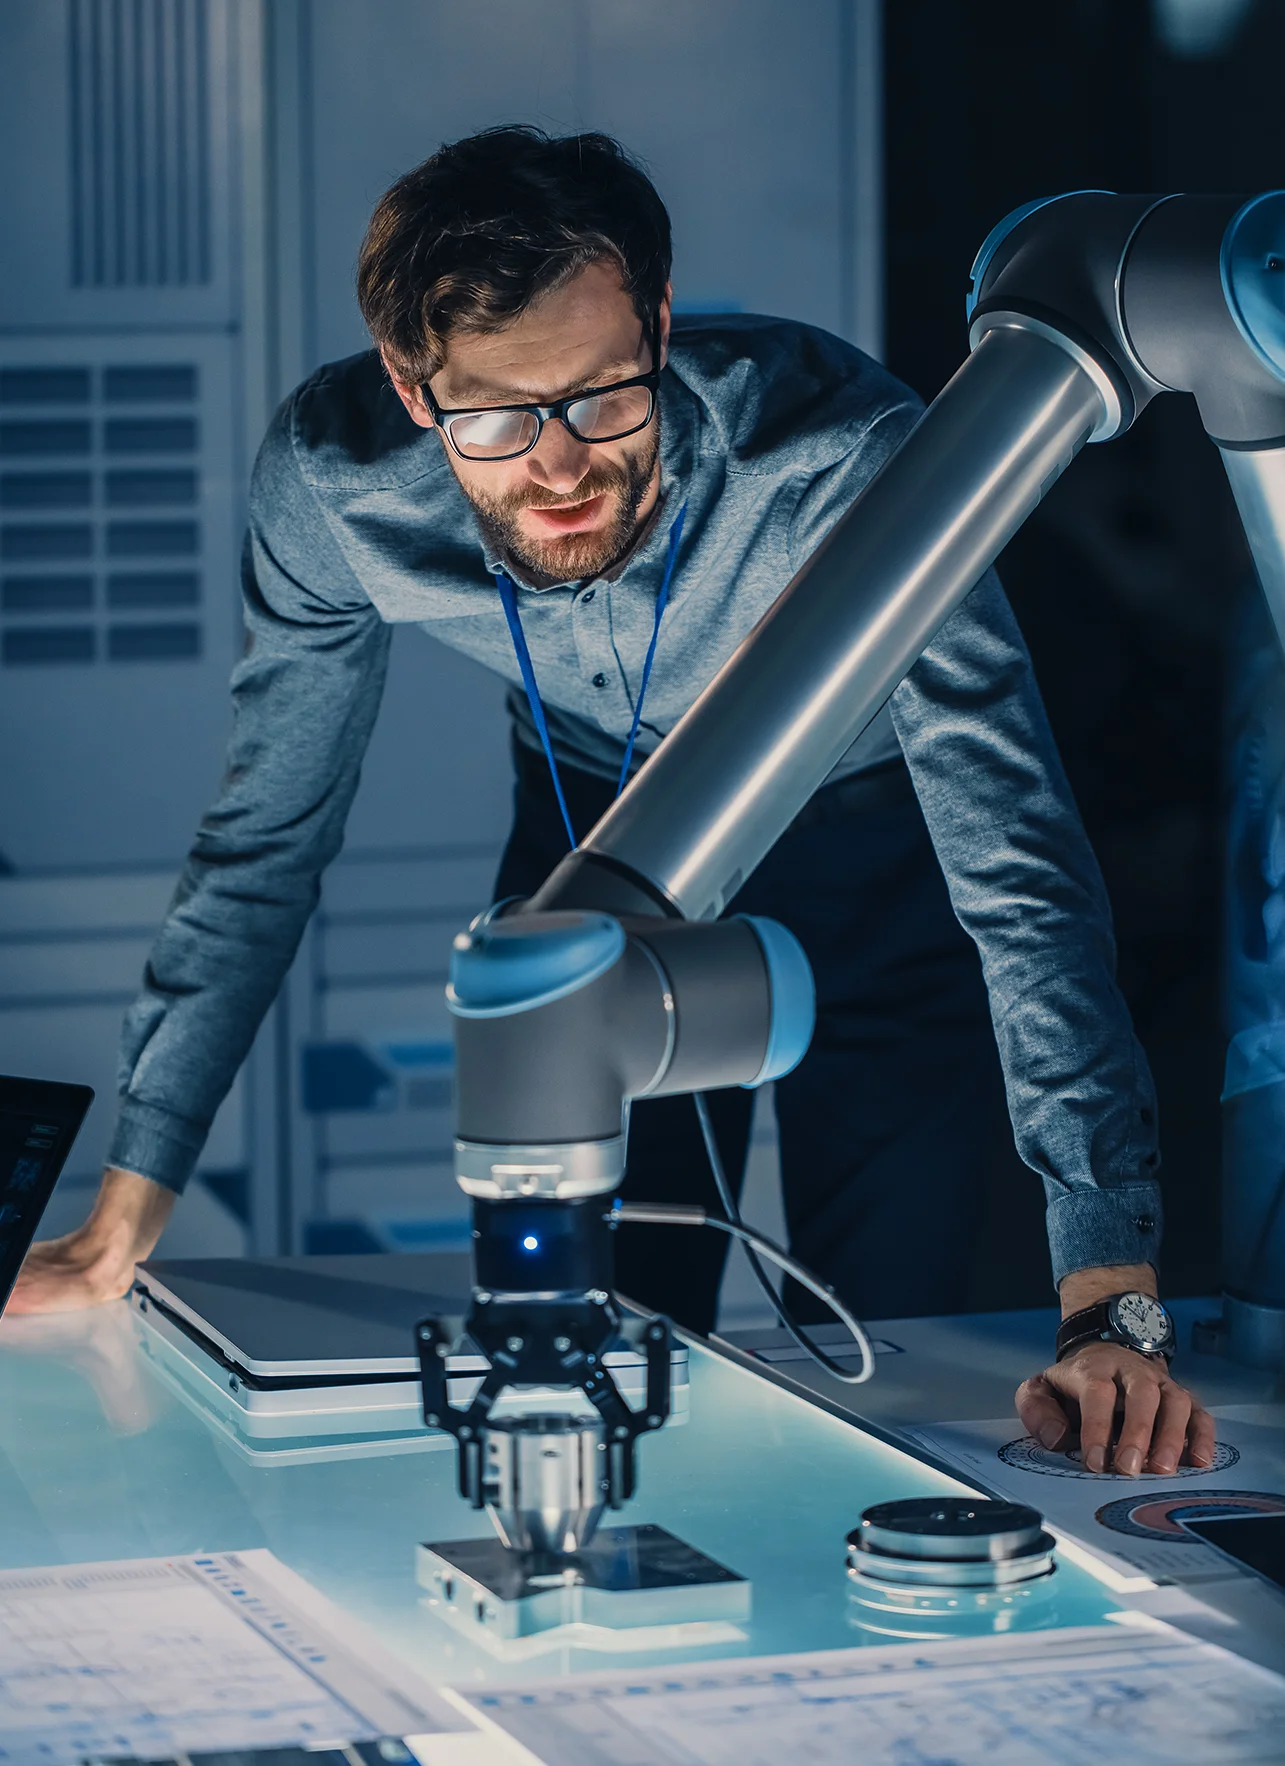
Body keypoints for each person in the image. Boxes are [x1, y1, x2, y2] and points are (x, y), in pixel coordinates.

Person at [13, 126, 1212, 1479]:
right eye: (500, 420)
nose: (565, 465)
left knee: (900, 1344)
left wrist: (1114, 1299)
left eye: (604, 395)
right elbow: (262, 840)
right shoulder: (334, 488)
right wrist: (127, 1203)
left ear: (654, 319)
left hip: (879, 855)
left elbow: (1019, 863)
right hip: (592, 846)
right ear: (416, 392)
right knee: (584, 1342)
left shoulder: (843, 449)